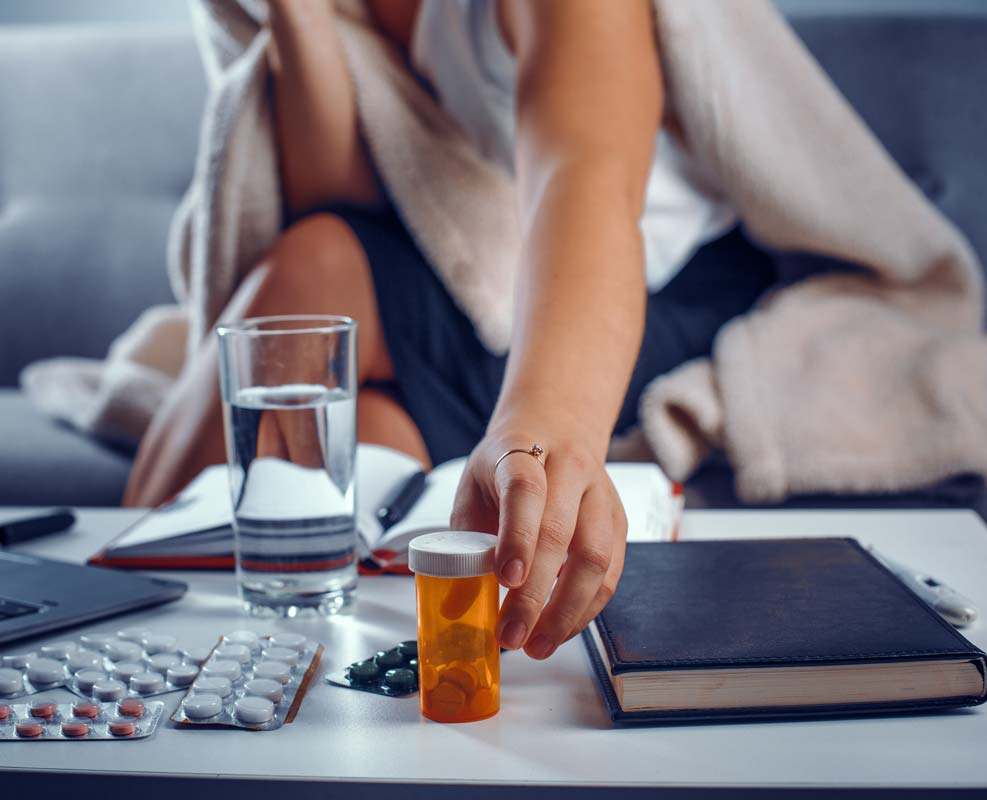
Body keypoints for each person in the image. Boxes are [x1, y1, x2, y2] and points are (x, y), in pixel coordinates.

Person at [125, 0, 776, 660]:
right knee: (367, 432)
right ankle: (166, 658)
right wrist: (299, 17)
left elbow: (586, 176)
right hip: (473, 276)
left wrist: (544, 428)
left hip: (649, 285)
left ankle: (120, 622)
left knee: (310, 277)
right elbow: (345, 189)